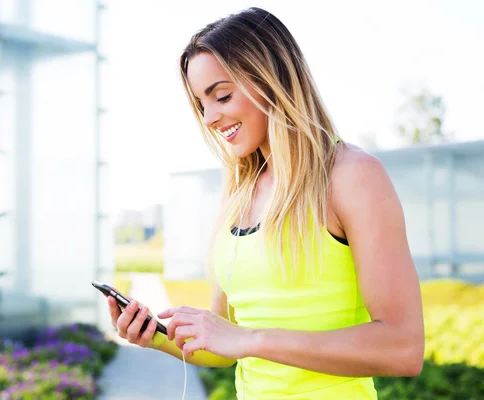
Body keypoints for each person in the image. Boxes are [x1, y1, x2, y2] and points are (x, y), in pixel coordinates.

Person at [106, 7, 424, 399]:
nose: (209, 118)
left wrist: (249, 339)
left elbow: (403, 348)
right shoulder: (240, 192)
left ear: (272, 79)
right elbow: (226, 346)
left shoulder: (351, 177)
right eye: (201, 104)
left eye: (221, 96)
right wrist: (155, 336)